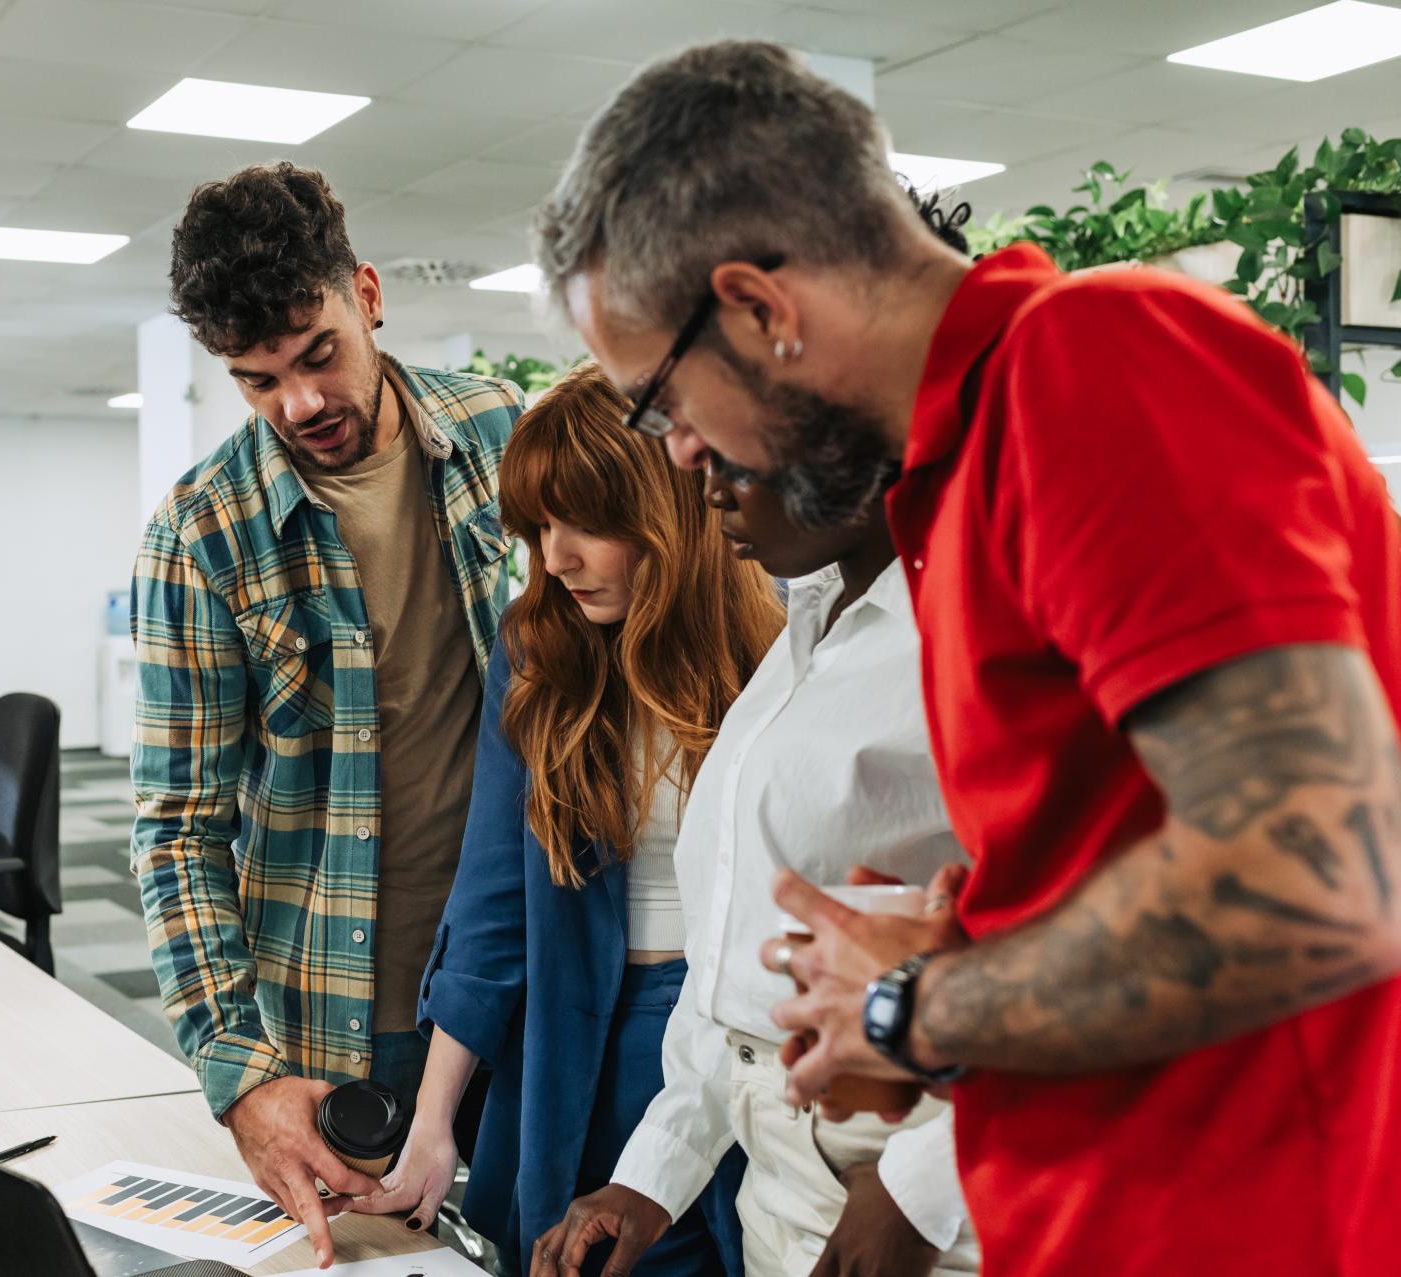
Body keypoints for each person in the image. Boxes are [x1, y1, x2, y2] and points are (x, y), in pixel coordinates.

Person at [532, 38, 1401, 1277]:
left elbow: (1323, 876)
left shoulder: (1092, 363)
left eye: (662, 404)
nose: (677, 455)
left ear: (763, 310)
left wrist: (912, 1006)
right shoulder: (952, 495)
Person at [534, 190, 983, 1277]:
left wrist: (920, 1194)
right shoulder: (809, 624)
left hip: (927, 1193)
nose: (685, 458)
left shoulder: (980, 635)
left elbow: (1124, 959)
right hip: (783, 1163)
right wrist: (651, 1177)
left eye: (710, 415)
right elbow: (734, 964)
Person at [131, 161, 524, 1269]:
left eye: (318, 353)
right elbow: (177, 827)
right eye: (259, 381)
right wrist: (238, 1071)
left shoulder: (501, 435)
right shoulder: (203, 533)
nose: (301, 403)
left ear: (367, 293)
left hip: (523, 984)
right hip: (339, 1021)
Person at [354, 362, 779, 1274]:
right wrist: (432, 1127)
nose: (556, 556)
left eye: (586, 523)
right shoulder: (538, 648)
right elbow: (492, 907)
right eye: (540, 526)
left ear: (667, 509)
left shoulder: (780, 640)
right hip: (586, 1030)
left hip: (745, 1032)